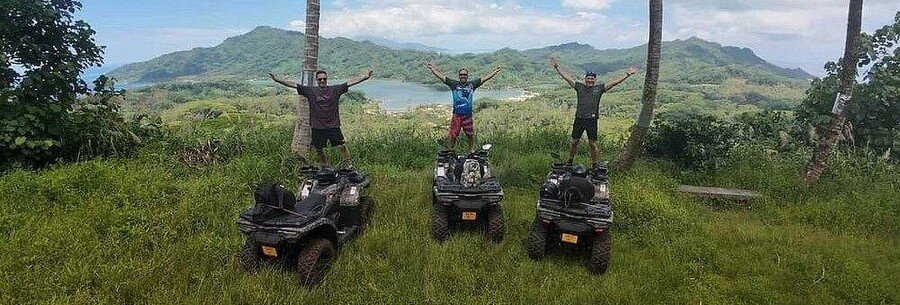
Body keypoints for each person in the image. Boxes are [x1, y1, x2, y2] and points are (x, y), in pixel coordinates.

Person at [269, 69, 373, 166]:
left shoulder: (335, 89)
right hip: (317, 126)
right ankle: (325, 164)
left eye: (324, 79)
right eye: (320, 79)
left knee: (342, 146)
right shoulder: (310, 91)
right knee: (318, 148)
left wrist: (365, 77)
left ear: (327, 79)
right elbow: (293, 85)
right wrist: (277, 80)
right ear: (317, 80)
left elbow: (350, 82)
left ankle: (348, 164)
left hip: (333, 125)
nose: (322, 80)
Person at [550, 56, 638, 167]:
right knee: (573, 142)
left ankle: (595, 164)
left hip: (592, 120)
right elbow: (567, 78)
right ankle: (570, 161)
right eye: (588, 78)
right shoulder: (579, 87)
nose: (590, 80)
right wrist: (557, 67)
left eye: (592, 78)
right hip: (579, 119)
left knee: (593, 144)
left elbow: (614, 83)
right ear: (585, 79)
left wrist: (627, 75)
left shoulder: (599, 88)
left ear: (595, 80)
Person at [426, 62, 502, 153]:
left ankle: (470, 150)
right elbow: (441, 77)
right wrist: (432, 69)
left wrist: (495, 72)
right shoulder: (454, 84)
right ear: (459, 76)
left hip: (467, 115)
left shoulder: (472, 85)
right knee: (453, 134)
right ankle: (450, 150)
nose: (463, 76)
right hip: (457, 115)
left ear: (467, 76)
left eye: (465, 74)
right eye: (461, 74)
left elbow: (484, 79)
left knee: (470, 134)